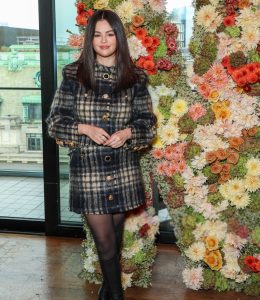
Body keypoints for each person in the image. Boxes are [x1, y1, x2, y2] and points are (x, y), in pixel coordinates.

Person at [46, 9, 156, 300]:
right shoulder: (73, 74)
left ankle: (107, 291)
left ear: (118, 37)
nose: (104, 40)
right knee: (105, 241)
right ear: (89, 39)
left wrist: (128, 133)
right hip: (89, 170)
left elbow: (148, 123)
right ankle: (116, 295)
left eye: (109, 34)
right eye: (97, 34)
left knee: (115, 238)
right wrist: (83, 128)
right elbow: (54, 122)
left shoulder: (136, 78)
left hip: (124, 169)